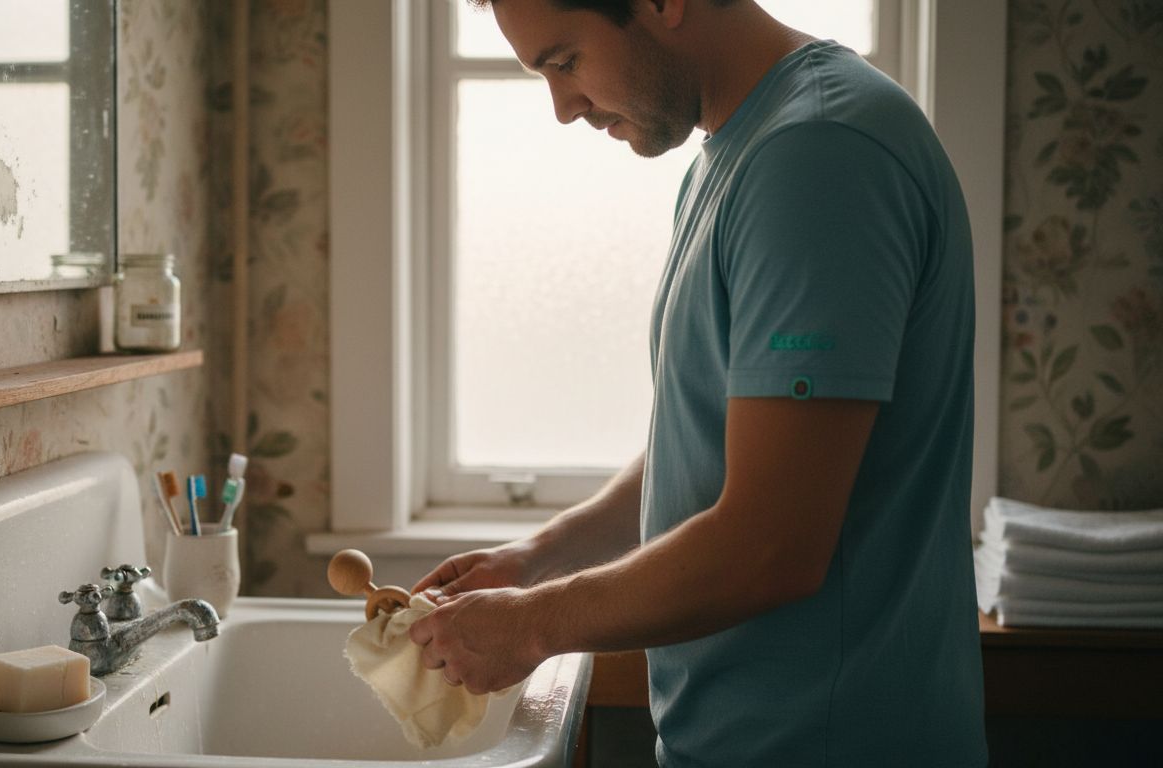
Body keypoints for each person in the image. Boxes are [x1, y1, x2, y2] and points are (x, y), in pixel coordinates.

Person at [407, 0, 988, 764]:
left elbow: (769, 543)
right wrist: (539, 557)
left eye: (565, 61)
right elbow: (713, 448)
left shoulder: (818, 155)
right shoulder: (738, 154)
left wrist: (532, 623)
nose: (563, 107)